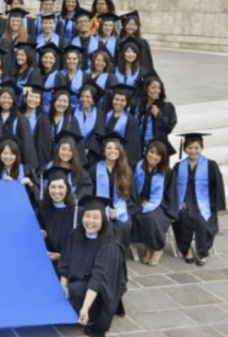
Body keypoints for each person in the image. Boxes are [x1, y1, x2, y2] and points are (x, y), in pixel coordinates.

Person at [58, 195, 127, 337]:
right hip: (81, 279)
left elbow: (98, 279)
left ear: (103, 220)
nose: (90, 221)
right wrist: (62, 287)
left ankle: (91, 313)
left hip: (101, 288)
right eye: (87, 216)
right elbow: (65, 262)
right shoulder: (75, 235)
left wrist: (85, 308)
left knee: (75, 290)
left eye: (96, 217)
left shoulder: (110, 245)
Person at [171, 133, 226, 266]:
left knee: (202, 221)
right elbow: (172, 187)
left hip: (204, 202)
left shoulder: (210, 165)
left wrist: (215, 205)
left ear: (201, 147)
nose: (193, 151)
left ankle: (202, 252)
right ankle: (186, 250)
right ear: (184, 148)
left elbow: (217, 186)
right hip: (184, 202)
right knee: (182, 218)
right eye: (189, 148)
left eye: (196, 148)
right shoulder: (179, 166)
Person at [132, 139, 176, 266]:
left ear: (163, 158)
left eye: (158, 154)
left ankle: (157, 248)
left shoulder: (168, 172)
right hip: (138, 203)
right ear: (147, 152)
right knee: (137, 215)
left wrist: (155, 205)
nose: (153, 156)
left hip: (162, 205)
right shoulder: (137, 166)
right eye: (151, 152)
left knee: (152, 218)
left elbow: (170, 195)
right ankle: (149, 246)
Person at [90, 133, 138, 247]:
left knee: (123, 225)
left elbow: (132, 195)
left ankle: (116, 253)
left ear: (120, 151)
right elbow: (90, 192)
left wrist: (120, 210)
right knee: (104, 224)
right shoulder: (95, 169)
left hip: (121, 209)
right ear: (104, 151)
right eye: (109, 148)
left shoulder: (126, 170)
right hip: (100, 207)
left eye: (116, 148)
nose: (113, 151)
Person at [37, 166, 76, 262]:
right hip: (46, 260)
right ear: (48, 188)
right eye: (53, 187)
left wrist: (60, 256)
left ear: (67, 188)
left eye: (61, 187)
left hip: (69, 263)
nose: (56, 191)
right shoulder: (43, 210)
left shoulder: (76, 212)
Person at [0, 85, 37, 170]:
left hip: (16, 163)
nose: (6, 101)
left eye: (9, 98)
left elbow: (27, 145)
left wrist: (29, 168)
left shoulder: (20, 119)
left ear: (13, 100)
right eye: (3, 97)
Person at [133, 73, 177, 156]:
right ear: (146, 89)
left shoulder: (166, 107)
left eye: (159, 88)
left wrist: (158, 116)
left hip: (156, 150)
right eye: (153, 88)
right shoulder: (137, 106)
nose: (157, 91)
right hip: (138, 148)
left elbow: (169, 128)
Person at [0, 136, 39, 207]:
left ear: (17, 155)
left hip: (20, 208)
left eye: (12, 154)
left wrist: (30, 184)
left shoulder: (26, 170)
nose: (8, 157)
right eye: (5, 153)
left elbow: (38, 196)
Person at [104, 85, 142, 165]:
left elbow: (132, 144)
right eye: (116, 99)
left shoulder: (130, 119)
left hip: (121, 158)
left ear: (126, 103)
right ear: (112, 100)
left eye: (122, 100)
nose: (118, 103)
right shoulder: (107, 115)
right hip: (106, 154)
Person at [21, 84, 54, 166]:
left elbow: (46, 144)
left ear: (40, 101)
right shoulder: (18, 116)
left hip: (36, 159)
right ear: (25, 98)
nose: (33, 100)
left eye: (37, 97)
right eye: (31, 96)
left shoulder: (43, 119)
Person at [37, 43, 65, 113]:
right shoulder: (36, 74)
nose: (48, 60)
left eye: (51, 58)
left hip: (51, 111)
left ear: (55, 60)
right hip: (37, 109)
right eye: (45, 57)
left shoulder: (58, 76)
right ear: (41, 59)